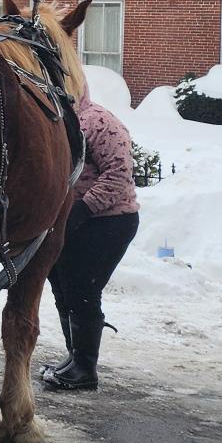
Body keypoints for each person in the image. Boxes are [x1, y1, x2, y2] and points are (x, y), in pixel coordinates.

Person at [42, 82, 141, 391]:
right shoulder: (53, 120)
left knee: (83, 290)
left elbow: (119, 176)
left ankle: (85, 367)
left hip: (108, 221)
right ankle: (74, 357)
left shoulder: (98, 121)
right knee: (63, 288)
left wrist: (81, 211)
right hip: (68, 222)